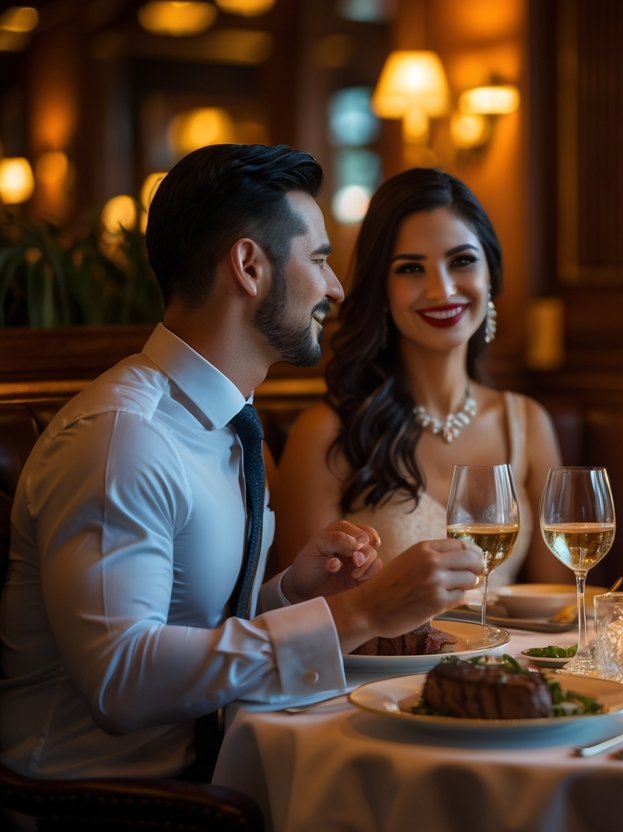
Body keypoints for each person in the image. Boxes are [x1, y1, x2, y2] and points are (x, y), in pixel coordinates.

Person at [0, 144, 482, 781]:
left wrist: (288, 595)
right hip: (97, 807)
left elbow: (184, 623)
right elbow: (121, 678)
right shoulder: (122, 439)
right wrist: (358, 614)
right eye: (318, 260)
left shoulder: (227, 423)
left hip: (217, 781)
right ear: (250, 266)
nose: (335, 288)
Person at [273, 168, 565, 597]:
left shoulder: (526, 423)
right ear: (382, 292)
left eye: (462, 261)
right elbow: (309, 618)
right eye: (411, 268)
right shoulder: (324, 435)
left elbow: (559, 607)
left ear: (491, 276)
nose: (442, 289)